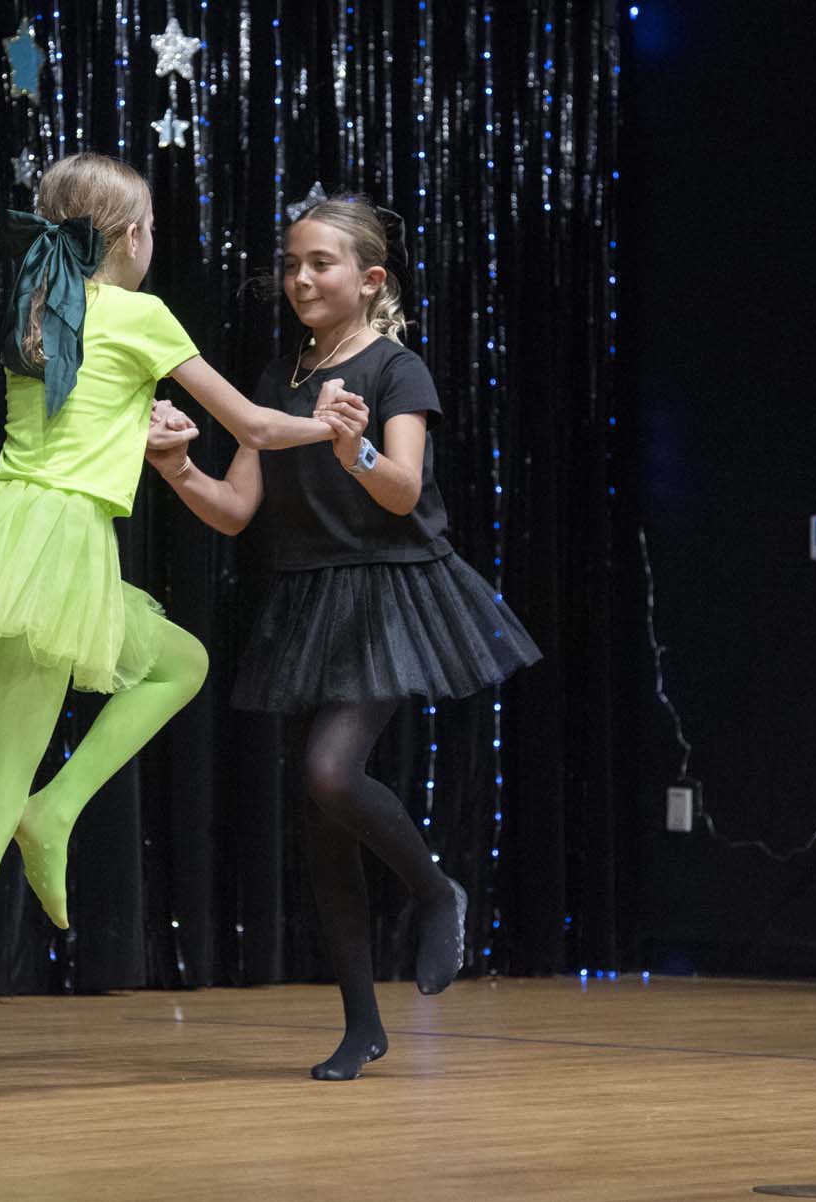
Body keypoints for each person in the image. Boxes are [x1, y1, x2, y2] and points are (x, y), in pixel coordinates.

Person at [0, 153, 341, 1109]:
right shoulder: (140, 314)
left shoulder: (40, 306)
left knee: (180, 662)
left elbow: (83, 415)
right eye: (151, 228)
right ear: (132, 237)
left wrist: (138, 430)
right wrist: (330, 425)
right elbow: (253, 427)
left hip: (15, 530)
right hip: (57, 545)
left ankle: (58, 809)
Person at [142, 196, 542, 1080]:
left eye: (319, 263)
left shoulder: (396, 367)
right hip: (308, 595)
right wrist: (176, 468)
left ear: (369, 279)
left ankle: (435, 891)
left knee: (332, 773)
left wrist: (351, 447)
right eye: (291, 264)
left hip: (391, 587)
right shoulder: (279, 374)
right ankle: (362, 1025)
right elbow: (235, 509)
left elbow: (402, 489)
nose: (299, 279)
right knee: (321, 821)